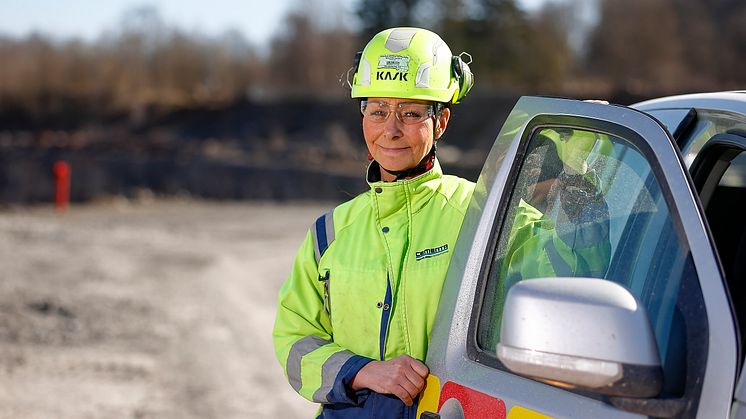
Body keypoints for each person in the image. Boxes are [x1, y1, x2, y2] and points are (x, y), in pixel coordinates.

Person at [272, 27, 475, 418]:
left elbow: (568, 272)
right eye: (378, 111)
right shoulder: (330, 232)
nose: (391, 129)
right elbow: (294, 339)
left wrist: (585, 170)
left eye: (411, 113)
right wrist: (361, 371)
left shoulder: (478, 214)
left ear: (441, 122)